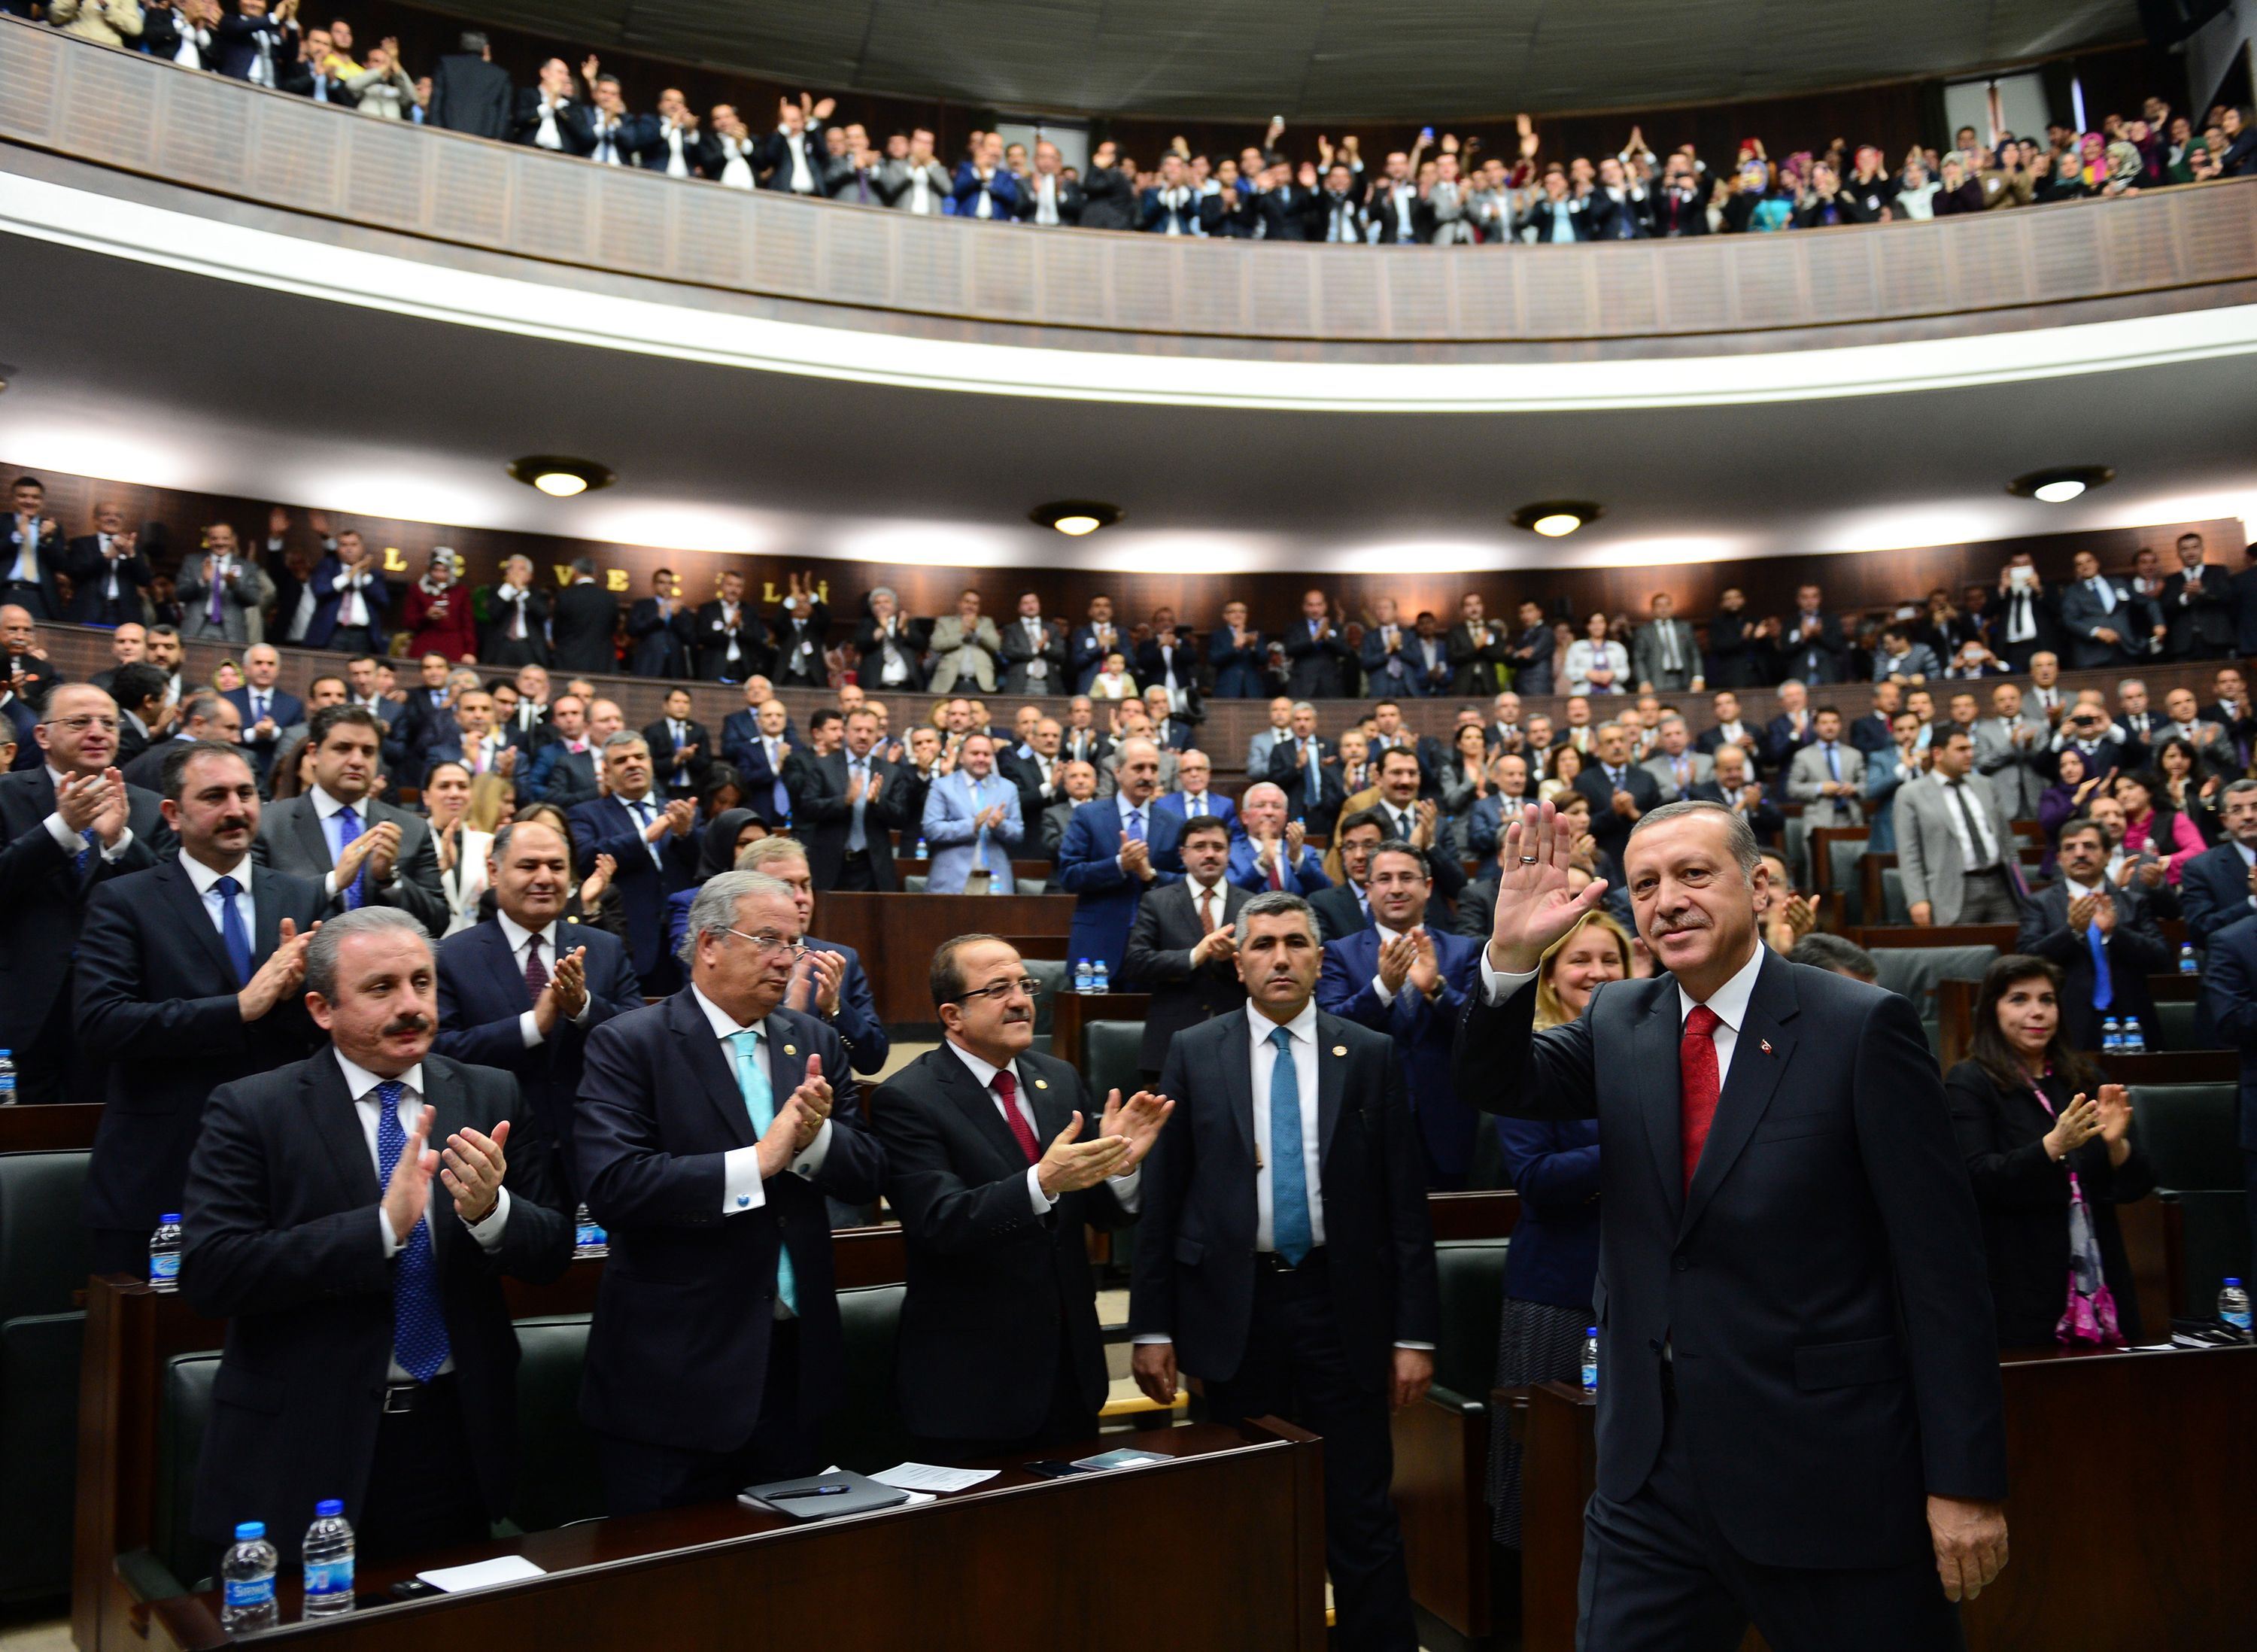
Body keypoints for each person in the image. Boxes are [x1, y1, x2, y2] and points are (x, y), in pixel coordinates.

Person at [1455, 799, 2007, 1645]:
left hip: (1830, 1476)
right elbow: (1495, 1082)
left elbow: (1943, 1272)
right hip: (1652, 1479)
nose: (1667, 899)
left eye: (1693, 874)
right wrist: (1513, 957)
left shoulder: (1860, 1028)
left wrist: (1965, 1482)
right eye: (1645, 885)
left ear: (1759, 888)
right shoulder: (1618, 1021)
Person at [181, 905, 574, 1556]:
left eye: (422, 982)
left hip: (455, 1435)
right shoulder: (253, 1109)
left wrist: (490, 1213)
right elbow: (213, 1273)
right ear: (320, 1008)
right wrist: (379, 1231)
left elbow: (554, 1250)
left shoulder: (490, 1094)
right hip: (305, 1445)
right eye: (381, 988)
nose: (412, 1005)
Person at [1130, 890, 1439, 1652]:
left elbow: (1405, 1205)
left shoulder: (1366, 1053)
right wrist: (1151, 1325)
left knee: (1361, 1517)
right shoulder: (1196, 1053)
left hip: (1344, 1310)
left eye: (1296, 943)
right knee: (1243, 1517)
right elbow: (1165, 1200)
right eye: (1263, 944)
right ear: (1238, 965)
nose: (1280, 957)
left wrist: (1416, 1335)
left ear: (1319, 959)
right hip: (1235, 1312)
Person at [576, 871, 885, 1513]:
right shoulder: (631, 1043)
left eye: (795, 944)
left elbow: (866, 1173)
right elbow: (615, 1185)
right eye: (767, 939)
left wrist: (815, 1141)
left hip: (795, 1370)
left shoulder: (816, 1043)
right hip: (676, 1383)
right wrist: (758, 1162)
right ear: (709, 944)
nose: (786, 960)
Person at [872, 934, 1166, 1461]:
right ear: (952, 1014)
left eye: (1025, 985)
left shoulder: (1058, 1077)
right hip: (974, 1391)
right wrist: (1042, 1183)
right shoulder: (907, 1099)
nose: (1020, 1000)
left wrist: (1121, 1166)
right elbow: (941, 1221)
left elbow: (1097, 1213)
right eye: (998, 988)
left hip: (1069, 1376)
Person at [77, 742, 330, 1274]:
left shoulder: (299, 897)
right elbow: (102, 1024)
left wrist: (292, 1001)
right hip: (159, 1168)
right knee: (142, 1345)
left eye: (245, 794)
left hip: (276, 1163)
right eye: (214, 796)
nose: (235, 809)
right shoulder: (124, 899)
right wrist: (236, 1007)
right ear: (173, 813)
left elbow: (321, 1029)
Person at [1486, 910, 1624, 1548]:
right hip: (1564, 1298)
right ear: (1551, 974)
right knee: (1550, 1453)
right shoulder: (1529, 1060)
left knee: (1618, 1454)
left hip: (1641, 1293)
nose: (1597, 973)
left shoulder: (1655, 1049)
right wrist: (1636, 1143)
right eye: (1580, 960)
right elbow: (1536, 1178)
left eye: (1611, 960)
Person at [1945, 955, 2152, 1348]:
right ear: (1992, 1010)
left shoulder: (2085, 1077)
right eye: (2019, 999)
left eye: (2048, 1000)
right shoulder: (1970, 1082)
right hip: (2019, 1274)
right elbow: (1976, 1177)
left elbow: (2139, 1185)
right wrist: (2053, 1145)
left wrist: (2116, 1145)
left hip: (2100, 1269)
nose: (2037, 1012)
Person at [435, 818, 643, 1202]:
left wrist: (583, 1008)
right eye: (529, 866)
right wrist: (531, 1026)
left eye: (557, 866)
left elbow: (641, 1037)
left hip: (594, 1150)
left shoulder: (604, 948)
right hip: (495, 1155)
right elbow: (441, 1053)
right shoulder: (451, 956)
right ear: (495, 872)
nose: (545, 878)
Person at [0, 683, 170, 1105]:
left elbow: (171, 902)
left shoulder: (148, 808)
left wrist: (121, 844)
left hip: (112, 1007)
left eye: (108, 723)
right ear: (42, 736)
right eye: (79, 722)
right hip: (17, 1009)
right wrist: (61, 829)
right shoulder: (5, 796)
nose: (97, 732)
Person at [1316, 841, 1485, 1189]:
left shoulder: (1464, 950)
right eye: (1384, 879)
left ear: (1428, 886)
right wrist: (1383, 989)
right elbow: (1330, 1031)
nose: (1395, 888)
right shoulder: (1339, 953)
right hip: (1368, 1118)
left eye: (1407, 877)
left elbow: (1482, 1030)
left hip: (1449, 1123)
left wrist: (1437, 990)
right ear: (1368, 890)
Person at [257, 706, 450, 936]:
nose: (357, 761)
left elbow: (438, 921)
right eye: (343, 748)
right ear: (313, 754)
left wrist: (390, 880)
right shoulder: (268, 824)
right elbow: (257, 913)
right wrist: (332, 883)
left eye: (368, 751)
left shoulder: (411, 829)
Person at [2014, 816, 2170, 1051]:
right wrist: (2072, 930)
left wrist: (2114, 931)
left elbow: (2161, 958)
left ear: (2108, 856)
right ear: (2059, 859)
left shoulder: (2133, 902)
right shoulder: (2040, 904)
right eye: (2070, 848)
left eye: (2089, 846)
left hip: (2130, 1021)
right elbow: (2026, 961)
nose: (2079, 854)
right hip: (2067, 1021)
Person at [567, 731, 699, 995]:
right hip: (630, 938)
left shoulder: (678, 810)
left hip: (685, 937)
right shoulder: (585, 814)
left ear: (650, 762)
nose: (633, 764)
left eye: (639, 757)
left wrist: (686, 834)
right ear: (606, 770)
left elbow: (702, 865)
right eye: (622, 760)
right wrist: (645, 837)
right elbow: (586, 859)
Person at [1121, 815, 1250, 1077]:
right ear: (1183, 854)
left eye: (1218, 847)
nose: (1210, 854)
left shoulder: (1251, 905)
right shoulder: (1157, 902)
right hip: (1171, 1038)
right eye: (1200, 847)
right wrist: (1194, 955)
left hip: (1239, 1037)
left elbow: (1264, 966)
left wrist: (1237, 956)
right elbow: (1135, 963)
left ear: (1229, 852)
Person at [1057, 737, 1183, 976]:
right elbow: (1069, 875)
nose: (1147, 775)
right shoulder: (1089, 816)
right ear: (1117, 771)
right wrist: (1119, 865)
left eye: (1153, 768)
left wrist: (1151, 876)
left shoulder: (1173, 823)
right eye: (1138, 768)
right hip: (1098, 944)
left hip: (1156, 946)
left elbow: (1186, 882)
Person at [1895, 727, 2022, 926]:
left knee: (2012, 950)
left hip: (2000, 884)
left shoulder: (1985, 785)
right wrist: (1917, 899)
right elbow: (1909, 853)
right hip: (1953, 889)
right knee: (1964, 952)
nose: (1970, 755)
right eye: (1961, 749)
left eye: (1970, 748)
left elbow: (2007, 841)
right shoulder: (1911, 794)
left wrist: (2021, 886)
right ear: (1938, 753)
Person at [788, 705, 901, 892]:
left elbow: (901, 817)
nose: (863, 736)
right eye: (858, 730)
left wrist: (877, 802)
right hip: (831, 864)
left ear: (877, 736)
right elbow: (807, 808)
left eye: (869, 731)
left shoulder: (889, 771)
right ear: (846, 732)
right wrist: (844, 801)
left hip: (873, 867)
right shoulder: (823, 766)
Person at [921, 731, 1022, 894]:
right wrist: (972, 825)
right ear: (961, 757)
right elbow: (931, 829)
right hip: (951, 881)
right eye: (975, 753)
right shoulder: (942, 786)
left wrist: (1000, 825)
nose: (981, 759)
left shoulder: (1007, 788)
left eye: (987, 754)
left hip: (996, 882)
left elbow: (1018, 834)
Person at [2180, 777, 2257, 942]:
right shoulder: (2200, 868)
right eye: (2237, 810)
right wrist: (2253, 902)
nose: (2249, 816)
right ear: (2224, 821)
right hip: (2235, 963)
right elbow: (2200, 929)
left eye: (2255, 807)